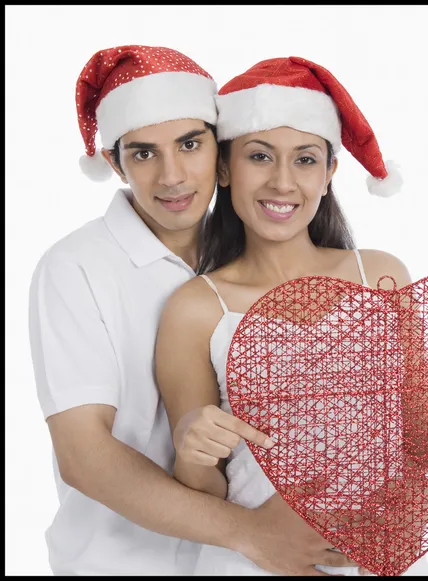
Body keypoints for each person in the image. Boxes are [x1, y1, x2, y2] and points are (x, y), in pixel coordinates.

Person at [155, 56, 428, 576]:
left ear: (331, 171)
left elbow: (424, 441)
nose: (283, 182)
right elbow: (203, 489)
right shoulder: (197, 308)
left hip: (387, 559)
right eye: (260, 156)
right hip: (257, 564)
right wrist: (193, 448)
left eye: (307, 160)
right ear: (225, 168)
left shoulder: (380, 276)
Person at [28, 46, 358, 577]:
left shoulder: (251, 253)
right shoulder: (76, 268)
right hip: (123, 562)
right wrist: (252, 534)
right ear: (113, 162)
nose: (172, 176)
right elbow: (84, 454)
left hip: (243, 560)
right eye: (143, 153)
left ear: (219, 151)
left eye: (189, 144)